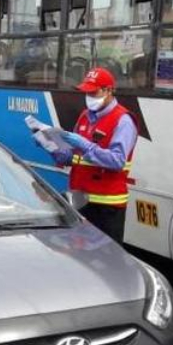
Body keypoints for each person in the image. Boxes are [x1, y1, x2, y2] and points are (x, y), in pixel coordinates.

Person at [39, 67, 138, 244]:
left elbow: (117, 161)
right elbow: (74, 156)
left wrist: (85, 145)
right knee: (81, 258)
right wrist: (53, 148)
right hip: (80, 201)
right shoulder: (86, 116)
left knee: (107, 262)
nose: (89, 97)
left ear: (108, 91)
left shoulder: (123, 120)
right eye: (87, 93)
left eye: (94, 92)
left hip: (107, 208)